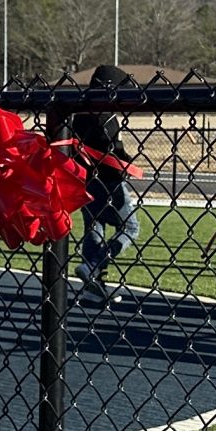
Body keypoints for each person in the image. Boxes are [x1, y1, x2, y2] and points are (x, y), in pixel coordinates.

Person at [70, 64, 138, 306]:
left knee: (94, 228)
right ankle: (93, 265)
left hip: (85, 179)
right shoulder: (106, 116)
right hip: (108, 180)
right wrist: (127, 161)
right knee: (130, 227)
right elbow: (112, 150)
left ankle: (94, 286)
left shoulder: (79, 111)